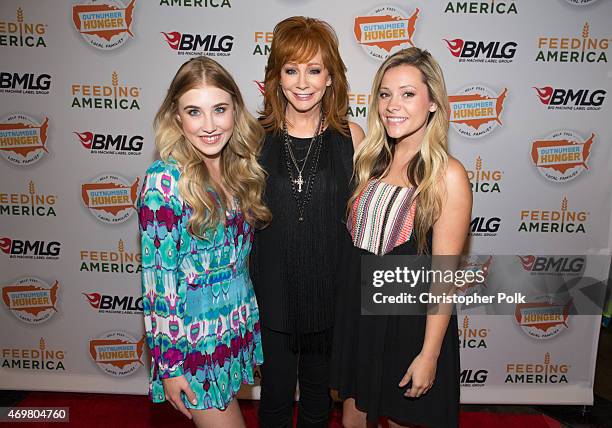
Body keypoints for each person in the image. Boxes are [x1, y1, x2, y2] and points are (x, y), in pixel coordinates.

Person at [330, 47, 472, 428]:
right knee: (351, 421)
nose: (393, 104)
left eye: (408, 94)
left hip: (409, 327)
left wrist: (429, 354)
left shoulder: (447, 176)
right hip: (361, 323)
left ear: (432, 103)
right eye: (385, 93)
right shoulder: (368, 163)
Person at [138, 57, 271, 428]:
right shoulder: (163, 181)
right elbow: (157, 285)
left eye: (219, 110)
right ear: (177, 118)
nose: (210, 126)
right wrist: (170, 366)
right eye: (194, 112)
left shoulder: (236, 165)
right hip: (194, 344)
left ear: (235, 111)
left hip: (232, 326)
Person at [251, 16, 364, 428]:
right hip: (272, 294)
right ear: (276, 78)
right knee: (275, 399)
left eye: (314, 70)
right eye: (291, 69)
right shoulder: (252, 138)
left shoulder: (352, 136)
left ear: (331, 77)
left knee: (320, 400)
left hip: (329, 295)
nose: (303, 82)